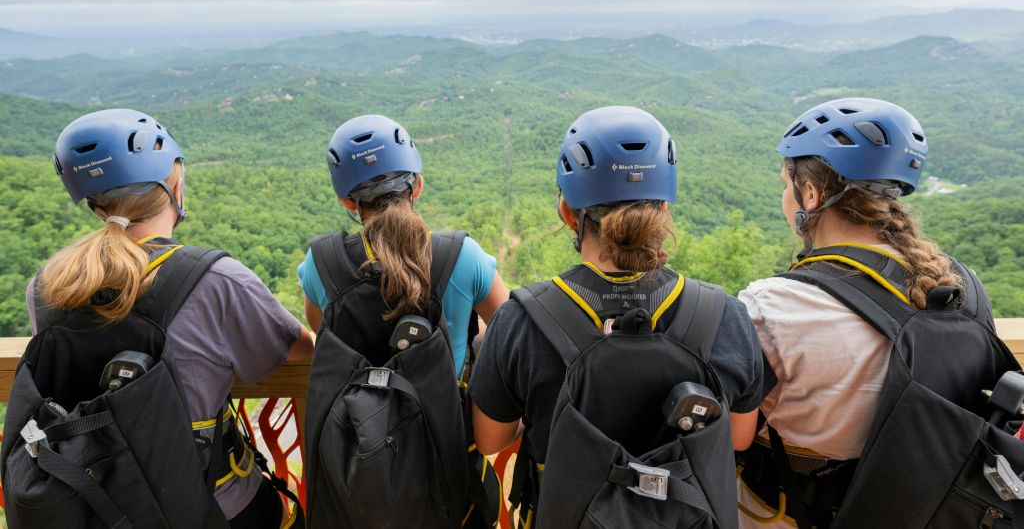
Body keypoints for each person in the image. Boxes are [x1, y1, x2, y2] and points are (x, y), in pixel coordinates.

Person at [470, 105, 772, 527]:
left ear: (568, 213)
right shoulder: (724, 315)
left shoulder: (522, 322)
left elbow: (491, 439)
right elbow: (738, 437)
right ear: (664, 211)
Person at [26, 108, 315, 528]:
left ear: (92, 206)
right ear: (175, 185)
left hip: (93, 501)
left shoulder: (47, 287)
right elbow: (297, 350)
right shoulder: (215, 278)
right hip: (211, 502)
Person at [735, 97, 984, 528]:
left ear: (809, 194)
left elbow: (738, 436)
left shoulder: (769, 305)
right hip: (928, 511)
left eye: (786, 182)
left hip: (796, 513)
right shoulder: (961, 284)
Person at [297, 113, 508, 376]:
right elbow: (512, 339)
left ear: (348, 202)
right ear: (417, 186)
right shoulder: (463, 256)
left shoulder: (320, 264)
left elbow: (323, 334)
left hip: (354, 416)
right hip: (446, 417)